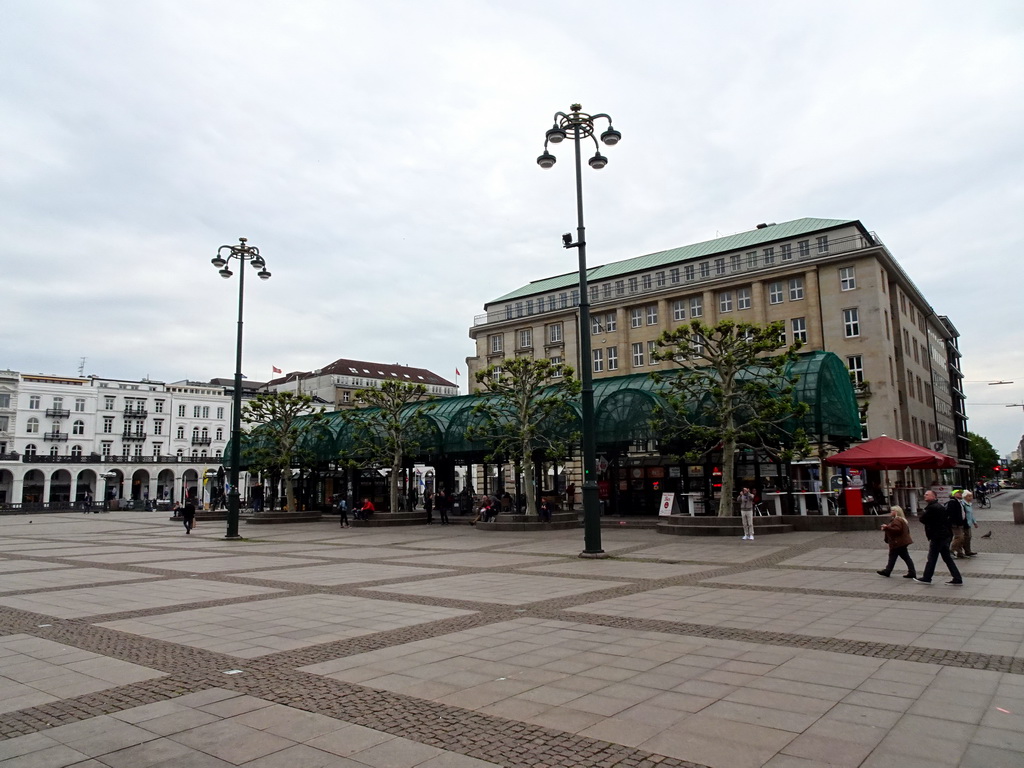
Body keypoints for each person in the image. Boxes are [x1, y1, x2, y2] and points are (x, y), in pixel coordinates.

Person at [915, 489, 963, 585]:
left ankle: (927, 577)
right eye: (925, 494)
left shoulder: (932, 508)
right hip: (943, 535)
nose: (925, 496)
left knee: (932, 557)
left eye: (927, 494)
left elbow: (922, 519)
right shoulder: (937, 506)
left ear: (934, 496)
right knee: (946, 558)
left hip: (938, 536)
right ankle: (957, 578)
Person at [877, 505, 916, 578]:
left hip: (897, 542)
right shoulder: (901, 519)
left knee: (894, 556)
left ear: (896, 512)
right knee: (904, 557)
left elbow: (897, 530)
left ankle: (888, 571)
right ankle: (911, 572)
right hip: (901, 542)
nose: (891, 512)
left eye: (892, 510)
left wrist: (887, 527)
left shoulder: (897, 520)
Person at [953, 490, 979, 557]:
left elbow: (971, 514)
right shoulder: (962, 504)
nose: (971, 498)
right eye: (969, 496)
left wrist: (974, 522)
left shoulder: (969, 504)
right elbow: (963, 514)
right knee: (961, 538)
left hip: (968, 523)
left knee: (968, 537)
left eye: (971, 496)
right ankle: (959, 552)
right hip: (964, 523)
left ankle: (968, 551)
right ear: (965, 497)